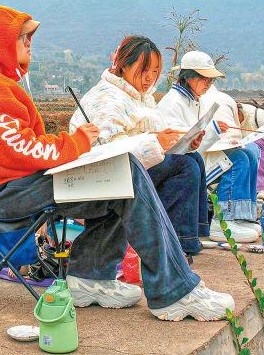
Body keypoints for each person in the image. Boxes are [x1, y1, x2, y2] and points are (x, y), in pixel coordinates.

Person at [0, 6, 234, 321]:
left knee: (120, 181)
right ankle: (175, 291)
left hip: (16, 184)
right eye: (22, 36)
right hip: (3, 193)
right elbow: (21, 148)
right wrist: (77, 142)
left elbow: (19, 146)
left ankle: (89, 277)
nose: (30, 42)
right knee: (127, 172)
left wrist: (74, 145)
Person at [68, 35, 210, 259]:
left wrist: (183, 142)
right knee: (184, 166)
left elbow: (153, 135)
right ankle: (171, 244)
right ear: (123, 64)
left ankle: (184, 237)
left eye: (154, 71)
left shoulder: (141, 97)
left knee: (193, 159)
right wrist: (157, 143)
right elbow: (109, 151)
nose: (149, 78)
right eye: (144, 69)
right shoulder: (108, 99)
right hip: (102, 175)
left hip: (132, 165)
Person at [158, 51, 262, 242]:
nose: (208, 84)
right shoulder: (173, 103)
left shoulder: (192, 100)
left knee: (248, 154)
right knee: (237, 160)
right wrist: (213, 130)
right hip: (182, 163)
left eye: (211, 81)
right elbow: (181, 145)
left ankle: (241, 216)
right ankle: (224, 220)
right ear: (189, 77)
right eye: (205, 79)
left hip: (196, 157)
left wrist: (215, 132)